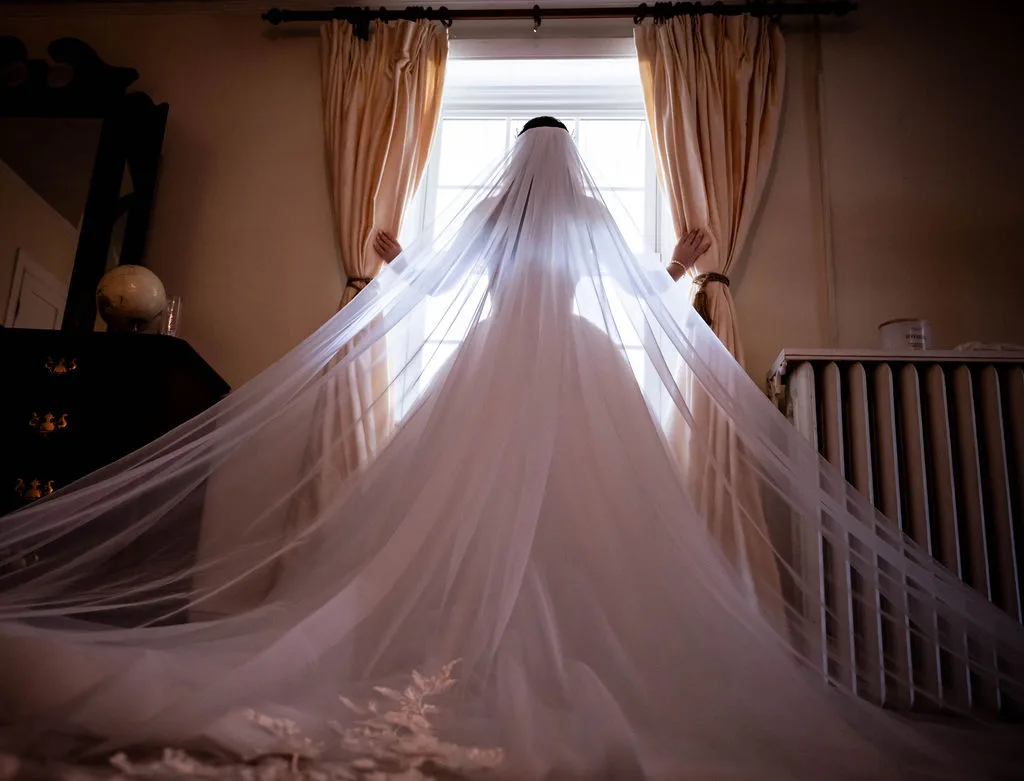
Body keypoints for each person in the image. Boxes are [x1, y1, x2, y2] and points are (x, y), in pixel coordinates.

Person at [0, 117, 1020, 781]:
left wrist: (399, 265)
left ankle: (492, 659)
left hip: (498, 368)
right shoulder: (580, 211)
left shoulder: (509, 213)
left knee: (502, 523)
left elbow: (436, 291)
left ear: (518, 161)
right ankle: (521, 660)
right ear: (566, 158)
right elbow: (638, 298)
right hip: (573, 369)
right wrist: (678, 265)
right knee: (578, 528)